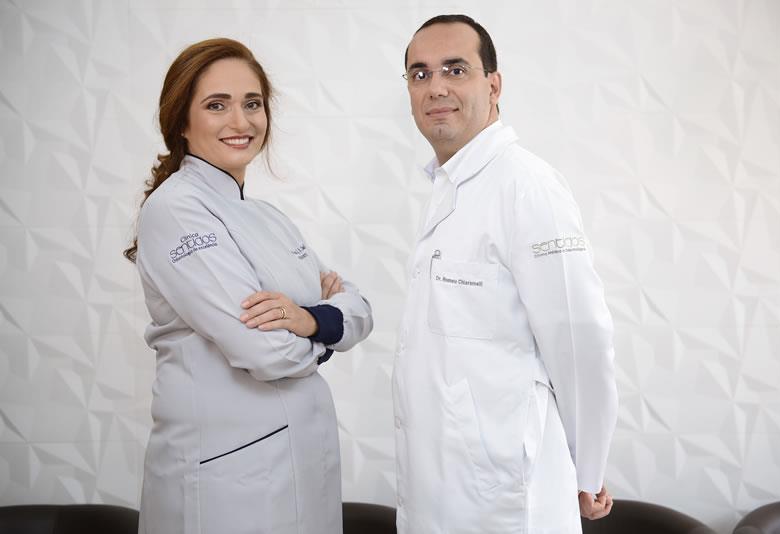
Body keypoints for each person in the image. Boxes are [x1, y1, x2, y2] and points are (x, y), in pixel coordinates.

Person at [124, 38, 373, 534]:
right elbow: (265, 351)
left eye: (252, 103)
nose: (241, 121)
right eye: (217, 105)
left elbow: (359, 307)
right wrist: (326, 327)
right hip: (227, 481)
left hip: (299, 465)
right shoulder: (176, 210)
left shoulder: (268, 217)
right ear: (181, 121)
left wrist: (308, 320)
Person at [392, 14, 618, 533]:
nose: (436, 87)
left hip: (506, 503)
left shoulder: (526, 186)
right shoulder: (449, 189)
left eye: (455, 69)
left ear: (493, 86)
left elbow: (579, 336)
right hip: (440, 492)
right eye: (420, 74)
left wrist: (587, 468)